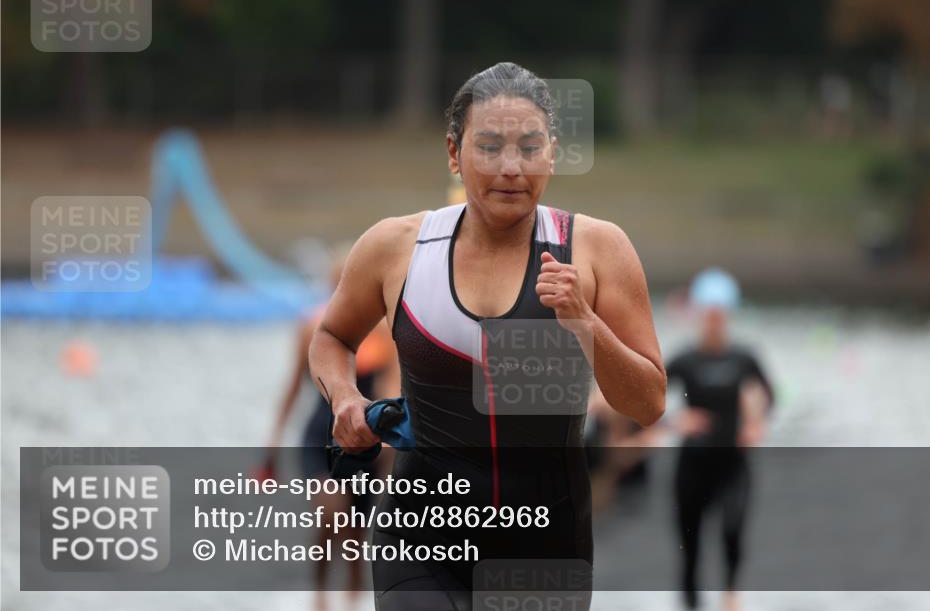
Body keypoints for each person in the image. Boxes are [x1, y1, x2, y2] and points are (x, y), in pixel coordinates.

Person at [308, 62, 666, 611]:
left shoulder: (597, 250)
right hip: (419, 538)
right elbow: (331, 337)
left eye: (529, 147)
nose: (510, 168)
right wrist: (347, 398)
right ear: (454, 153)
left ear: (552, 153)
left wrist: (584, 323)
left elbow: (647, 403)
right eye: (490, 146)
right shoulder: (395, 248)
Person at [265, 244, 399, 611]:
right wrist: (271, 448)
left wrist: (392, 442)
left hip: (366, 437)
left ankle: (353, 599)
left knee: (356, 530)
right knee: (331, 514)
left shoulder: (386, 333)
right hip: (319, 435)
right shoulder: (313, 328)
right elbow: (292, 389)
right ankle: (320, 595)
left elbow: (391, 387)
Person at [665, 268, 774, 611]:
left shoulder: (744, 357)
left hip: (733, 463)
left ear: (728, 315)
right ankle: (690, 602)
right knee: (690, 547)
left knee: (732, 531)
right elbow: (648, 400)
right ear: (698, 314)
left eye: (720, 314)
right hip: (692, 465)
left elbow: (769, 395)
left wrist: (757, 423)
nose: (714, 321)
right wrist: (675, 420)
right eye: (708, 314)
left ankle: (730, 595)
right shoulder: (684, 358)